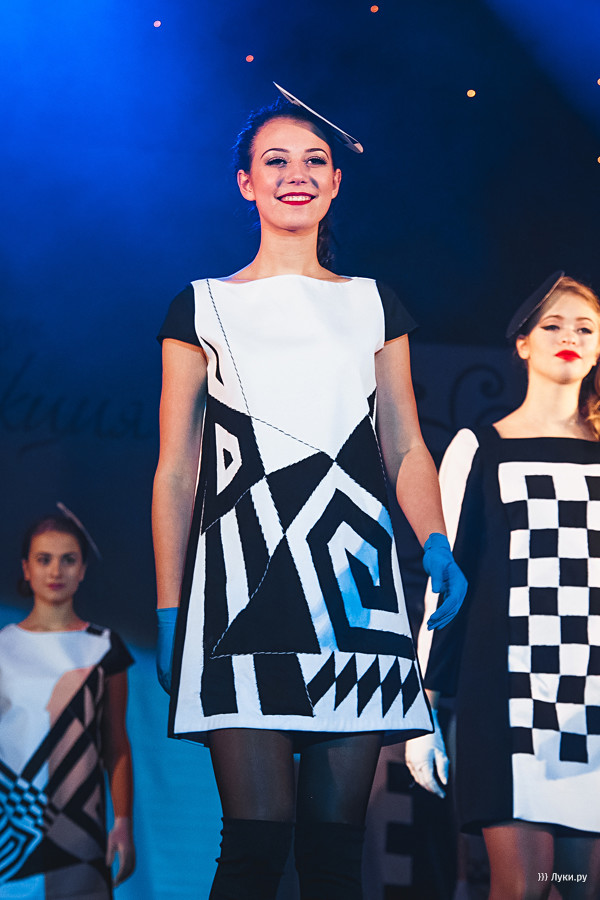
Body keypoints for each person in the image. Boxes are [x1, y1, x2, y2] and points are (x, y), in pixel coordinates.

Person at [152, 83, 467, 899]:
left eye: (314, 161)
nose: (297, 174)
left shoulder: (373, 303)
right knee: (254, 846)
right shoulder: (202, 306)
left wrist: (435, 540)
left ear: (335, 182)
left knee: (333, 855)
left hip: (354, 590)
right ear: (245, 183)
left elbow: (405, 443)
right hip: (239, 587)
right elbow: (177, 468)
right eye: (276, 161)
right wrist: (170, 607)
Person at [405, 273, 600, 899]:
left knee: (580, 886)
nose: (569, 336)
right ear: (522, 342)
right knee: (523, 888)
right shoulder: (480, 448)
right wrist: (422, 706)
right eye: (553, 324)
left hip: (592, 696)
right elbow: (447, 584)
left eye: (585, 328)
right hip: (507, 696)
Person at [0, 512, 135, 899]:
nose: (56, 571)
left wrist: (123, 822)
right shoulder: (3, 647)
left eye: (68, 559)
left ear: (83, 569)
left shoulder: (104, 647)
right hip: (10, 830)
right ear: (26, 568)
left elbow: (116, 746)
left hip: (80, 831)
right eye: (44, 559)